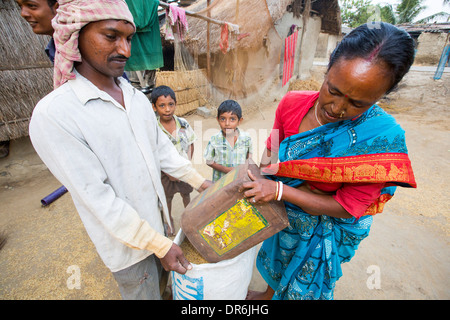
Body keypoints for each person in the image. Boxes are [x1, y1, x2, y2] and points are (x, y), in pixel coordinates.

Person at [28, 0, 211, 300]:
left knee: (163, 287)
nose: (125, 50)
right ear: (76, 35)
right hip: (128, 249)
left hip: (159, 227)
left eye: (128, 38)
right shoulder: (55, 115)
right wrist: (160, 246)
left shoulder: (135, 97)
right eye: (111, 36)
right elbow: (99, 200)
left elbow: (161, 149)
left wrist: (200, 182)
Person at [241, 22, 417, 300]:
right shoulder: (291, 104)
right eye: (332, 90)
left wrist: (280, 190)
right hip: (288, 213)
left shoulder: (380, 138)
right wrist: (260, 173)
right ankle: (269, 295)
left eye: (358, 103)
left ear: (382, 95)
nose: (337, 108)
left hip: (329, 224)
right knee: (281, 256)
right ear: (326, 71)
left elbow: (348, 207)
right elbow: (272, 150)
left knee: (306, 280)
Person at [151, 85, 196, 236]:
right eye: (161, 106)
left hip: (183, 169)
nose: (167, 109)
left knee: (186, 194)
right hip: (165, 173)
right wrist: (167, 172)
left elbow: (191, 143)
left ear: (176, 104)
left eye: (171, 104)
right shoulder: (153, 128)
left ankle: (190, 219)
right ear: (154, 107)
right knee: (167, 197)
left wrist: (187, 163)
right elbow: (154, 153)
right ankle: (168, 221)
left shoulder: (183, 123)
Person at [204, 100, 253, 182]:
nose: (227, 123)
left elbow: (249, 158)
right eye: (223, 119)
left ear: (239, 121)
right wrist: (227, 170)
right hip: (220, 182)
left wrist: (245, 170)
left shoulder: (246, 138)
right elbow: (209, 161)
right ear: (218, 120)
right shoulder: (214, 140)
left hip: (239, 180)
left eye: (232, 119)